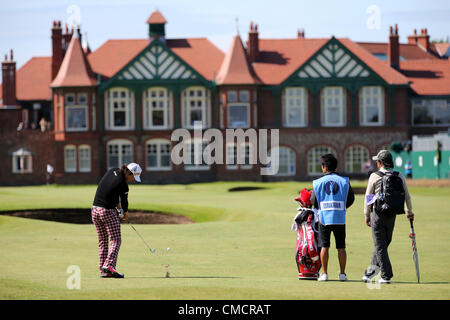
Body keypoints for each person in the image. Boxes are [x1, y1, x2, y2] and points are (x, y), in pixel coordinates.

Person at [362, 150, 414, 284]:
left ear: (380, 163)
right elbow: (407, 195)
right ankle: (369, 274)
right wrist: (409, 212)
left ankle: (386, 275)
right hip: (392, 214)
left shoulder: (374, 175)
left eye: (377, 161)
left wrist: (367, 215)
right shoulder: (399, 175)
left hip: (377, 214)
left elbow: (368, 197)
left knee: (380, 245)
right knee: (383, 244)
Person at [92, 162, 142, 278]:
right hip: (107, 211)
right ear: (129, 172)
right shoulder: (123, 184)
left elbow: (111, 194)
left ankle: (103, 270)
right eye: (133, 176)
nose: (133, 180)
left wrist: (119, 210)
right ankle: (109, 265)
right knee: (116, 240)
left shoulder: (112, 170)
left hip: (95, 210)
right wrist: (125, 213)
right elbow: (124, 202)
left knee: (103, 241)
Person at [311, 154, 355, 282]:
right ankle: (342, 274)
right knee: (341, 247)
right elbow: (351, 198)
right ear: (335, 167)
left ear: (324, 167)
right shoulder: (345, 181)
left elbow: (313, 200)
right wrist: (343, 207)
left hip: (324, 218)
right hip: (340, 218)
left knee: (325, 246)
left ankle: (324, 274)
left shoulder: (317, 182)